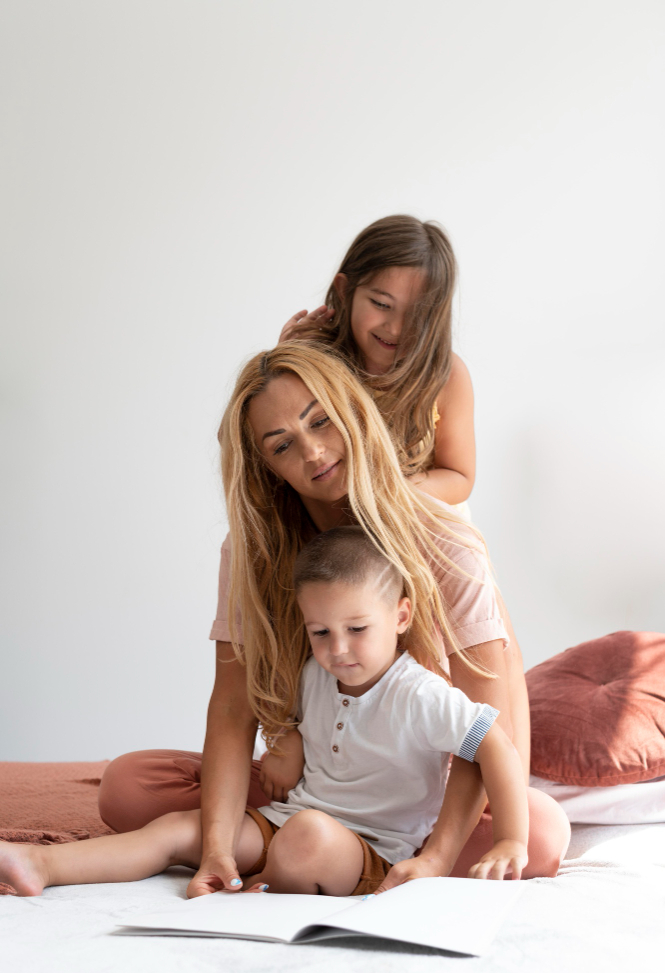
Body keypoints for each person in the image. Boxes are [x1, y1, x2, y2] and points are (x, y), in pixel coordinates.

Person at [97, 342, 570, 897]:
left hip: (417, 796)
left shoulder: (447, 541)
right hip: (317, 787)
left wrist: (440, 856)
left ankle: (346, 853)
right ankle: (308, 848)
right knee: (127, 788)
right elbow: (231, 704)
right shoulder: (251, 552)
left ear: (351, 410)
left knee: (538, 833)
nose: (315, 451)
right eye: (283, 445)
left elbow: (489, 724)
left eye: (321, 420)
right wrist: (218, 850)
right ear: (267, 468)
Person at [0, 528, 528, 897]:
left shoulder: (421, 693)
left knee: (309, 839)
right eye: (320, 632)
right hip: (290, 818)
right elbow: (298, 721)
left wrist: (510, 838)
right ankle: (40, 864)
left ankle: (268, 888)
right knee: (184, 830)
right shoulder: (316, 674)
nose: (338, 648)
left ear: (401, 615)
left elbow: (494, 745)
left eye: (357, 629)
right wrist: (289, 743)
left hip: (372, 850)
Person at [279, 215, 475, 510]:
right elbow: (241, 447)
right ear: (345, 291)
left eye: (417, 315)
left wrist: (384, 492)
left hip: (416, 523)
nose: (396, 328)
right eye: (382, 304)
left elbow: (459, 477)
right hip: (328, 530)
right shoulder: (315, 360)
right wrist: (282, 365)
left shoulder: (445, 375)